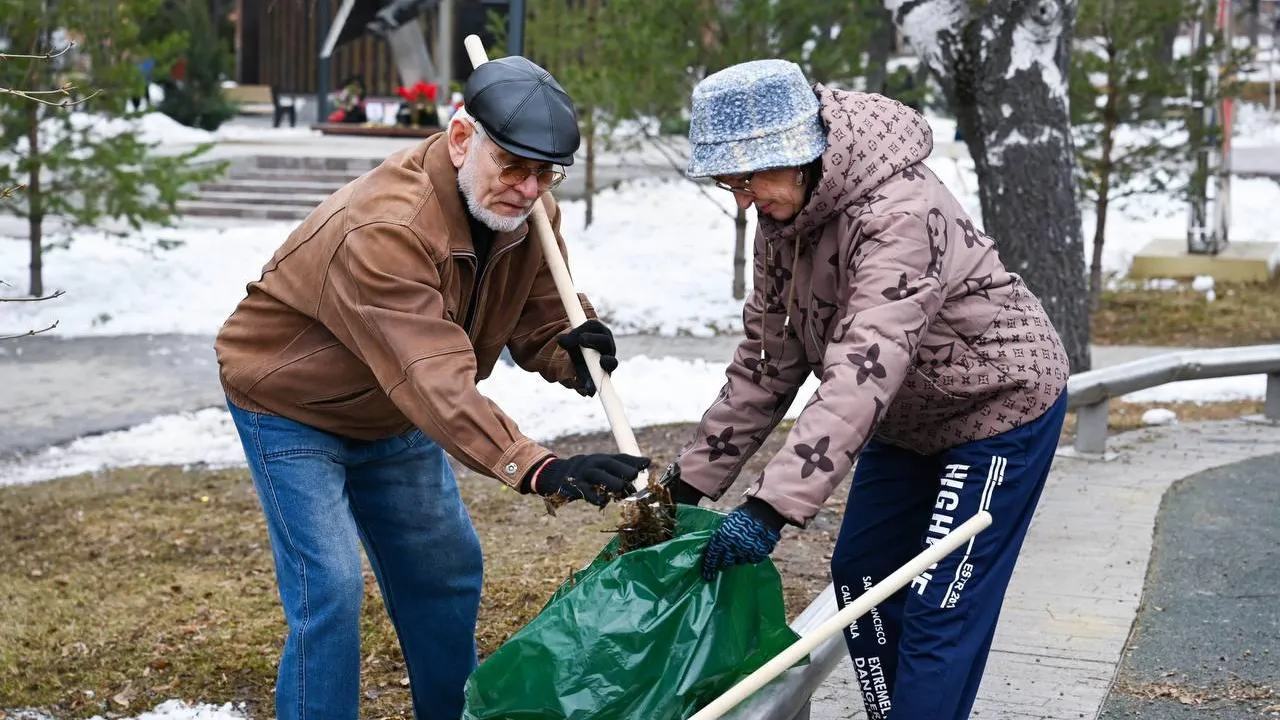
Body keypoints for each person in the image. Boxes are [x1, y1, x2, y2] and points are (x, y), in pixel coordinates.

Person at [214, 55, 650, 720]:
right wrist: (540, 468)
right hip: (292, 405)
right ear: (461, 138)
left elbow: (538, 311)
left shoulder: (527, 208)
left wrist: (573, 352)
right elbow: (432, 375)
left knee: (445, 570)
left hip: (394, 406)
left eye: (546, 172)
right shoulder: (385, 226)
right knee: (330, 588)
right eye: (513, 166)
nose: (529, 189)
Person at [664, 59, 1070, 720]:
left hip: (997, 408)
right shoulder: (785, 221)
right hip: (906, 417)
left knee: (941, 603)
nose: (741, 200)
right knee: (862, 577)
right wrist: (685, 485)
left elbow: (863, 366)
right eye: (727, 183)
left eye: (747, 179)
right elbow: (767, 362)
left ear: (798, 153)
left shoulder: (898, 210)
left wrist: (769, 510)